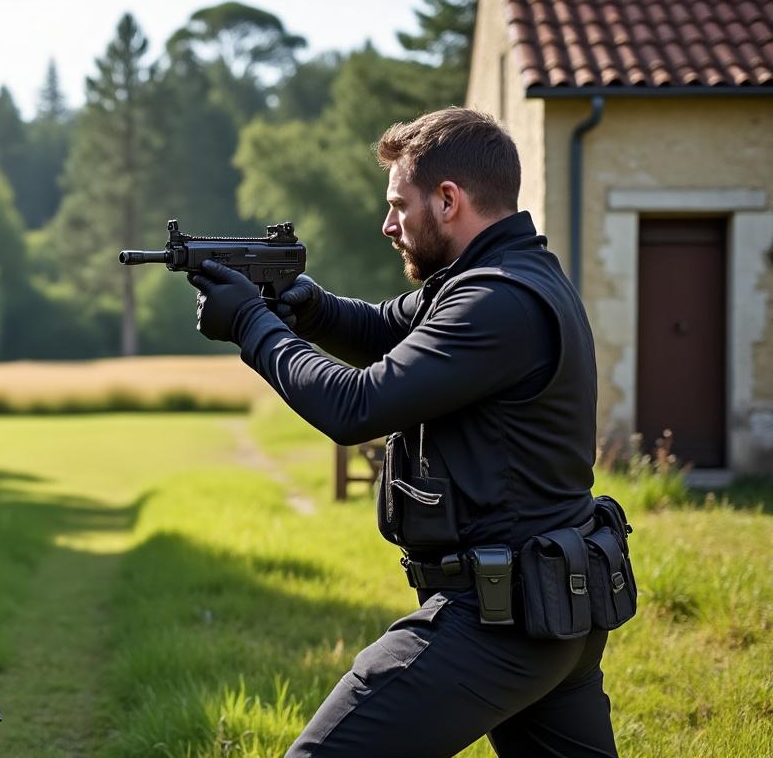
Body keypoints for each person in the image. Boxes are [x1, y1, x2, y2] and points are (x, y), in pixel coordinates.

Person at [187, 107, 621, 757]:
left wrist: (253, 326)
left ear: (448, 200)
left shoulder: (495, 301)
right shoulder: (505, 275)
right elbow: (388, 329)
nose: (388, 225)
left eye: (398, 205)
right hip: (549, 606)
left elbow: (357, 407)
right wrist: (308, 306)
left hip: (495, 621)